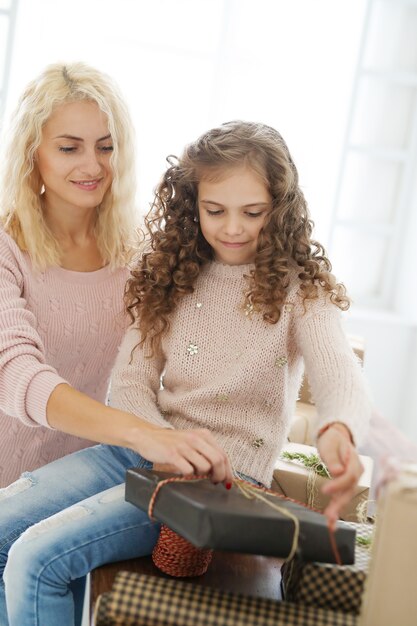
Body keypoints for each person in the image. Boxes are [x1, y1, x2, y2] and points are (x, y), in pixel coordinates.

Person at [0, 121, 371, 626]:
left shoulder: (302, 291)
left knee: (36, 558)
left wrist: (339, 430)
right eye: (215, 211)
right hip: (137, 452)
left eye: (253, 212)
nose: (233, 227)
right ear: (191, 203)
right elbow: (130, 383)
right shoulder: (167, 273)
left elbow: (339, 375)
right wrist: (159, 443)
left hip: (219, 480)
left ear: (280, 208)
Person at [0, 63, 231, 626]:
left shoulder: (138, 253)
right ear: (34, 153)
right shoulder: (9, 247)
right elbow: (16, 374)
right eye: (70, 147)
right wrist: (142, 433)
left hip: (89, 484)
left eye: (106, 147)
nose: (92, 165)